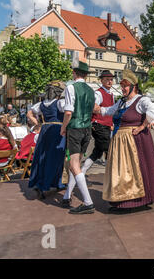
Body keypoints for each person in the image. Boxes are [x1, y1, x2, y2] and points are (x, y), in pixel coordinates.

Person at [93, 69, 154, 212]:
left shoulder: (142, 100)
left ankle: (136, 201)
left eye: (125, 86)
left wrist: (142, 126)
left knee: (135, 171)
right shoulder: (122, 102)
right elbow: (108, 111)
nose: (122, 89)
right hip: (120, 141)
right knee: (122, 172)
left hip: (136, 141)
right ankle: (124, 200)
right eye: (122, 86)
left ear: (133, 87)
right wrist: (95, 108)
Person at [60, 62, 96, 214]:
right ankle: (67, 196)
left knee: (73, 166)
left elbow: (68, 111)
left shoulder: (70, 87)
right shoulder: (91, 90)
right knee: (77, 165)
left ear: (75, 73)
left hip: (75, 128)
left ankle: (88, 202)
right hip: (87, 128)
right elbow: (93, 109)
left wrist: (63, 128)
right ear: (86, 75)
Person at [27, 81, 66, 199]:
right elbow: (69, 112)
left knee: (42, 157)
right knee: (56, 157)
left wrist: (38, 123)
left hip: (45, 129)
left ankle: (42, 182)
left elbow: (29, 113)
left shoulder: (41, 104)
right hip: (57, 130)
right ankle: (51, 183)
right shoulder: (60, 103)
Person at [80, 70, 115, 176]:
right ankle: (113, 177)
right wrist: (104, 112)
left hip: (105, 126)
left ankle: (82, 172)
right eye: (107, 80)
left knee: (97, 152)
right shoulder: (99, 93)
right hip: (99, 125)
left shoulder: (111, 94)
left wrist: (111, 122)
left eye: (111, 79)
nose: (110, 82)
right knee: (110, 151)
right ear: (102, 81)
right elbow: (93, 107)